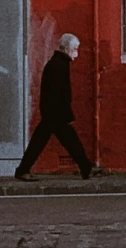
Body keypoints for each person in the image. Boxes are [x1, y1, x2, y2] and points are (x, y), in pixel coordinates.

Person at [14, 33, 96, 180]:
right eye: (75, 49)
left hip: (51, 112)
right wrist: (67, 114)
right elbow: (61, 93)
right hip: (55, 113)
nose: (76, 53)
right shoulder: (59, 66)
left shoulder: (56, 63)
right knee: (67, 141)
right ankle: (85, 167)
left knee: (46, 141)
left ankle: (85, 166)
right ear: (66, 49)